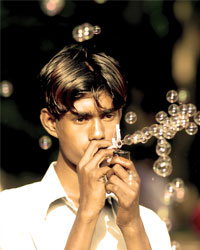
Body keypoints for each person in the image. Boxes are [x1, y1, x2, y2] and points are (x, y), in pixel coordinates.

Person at [0, 44, 172, 250]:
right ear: (50, 122)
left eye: (108, 116)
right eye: (81, 119)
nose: (98, 133)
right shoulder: (12, 211)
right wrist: (87, 214)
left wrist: (132, 225)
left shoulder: (148, 222)